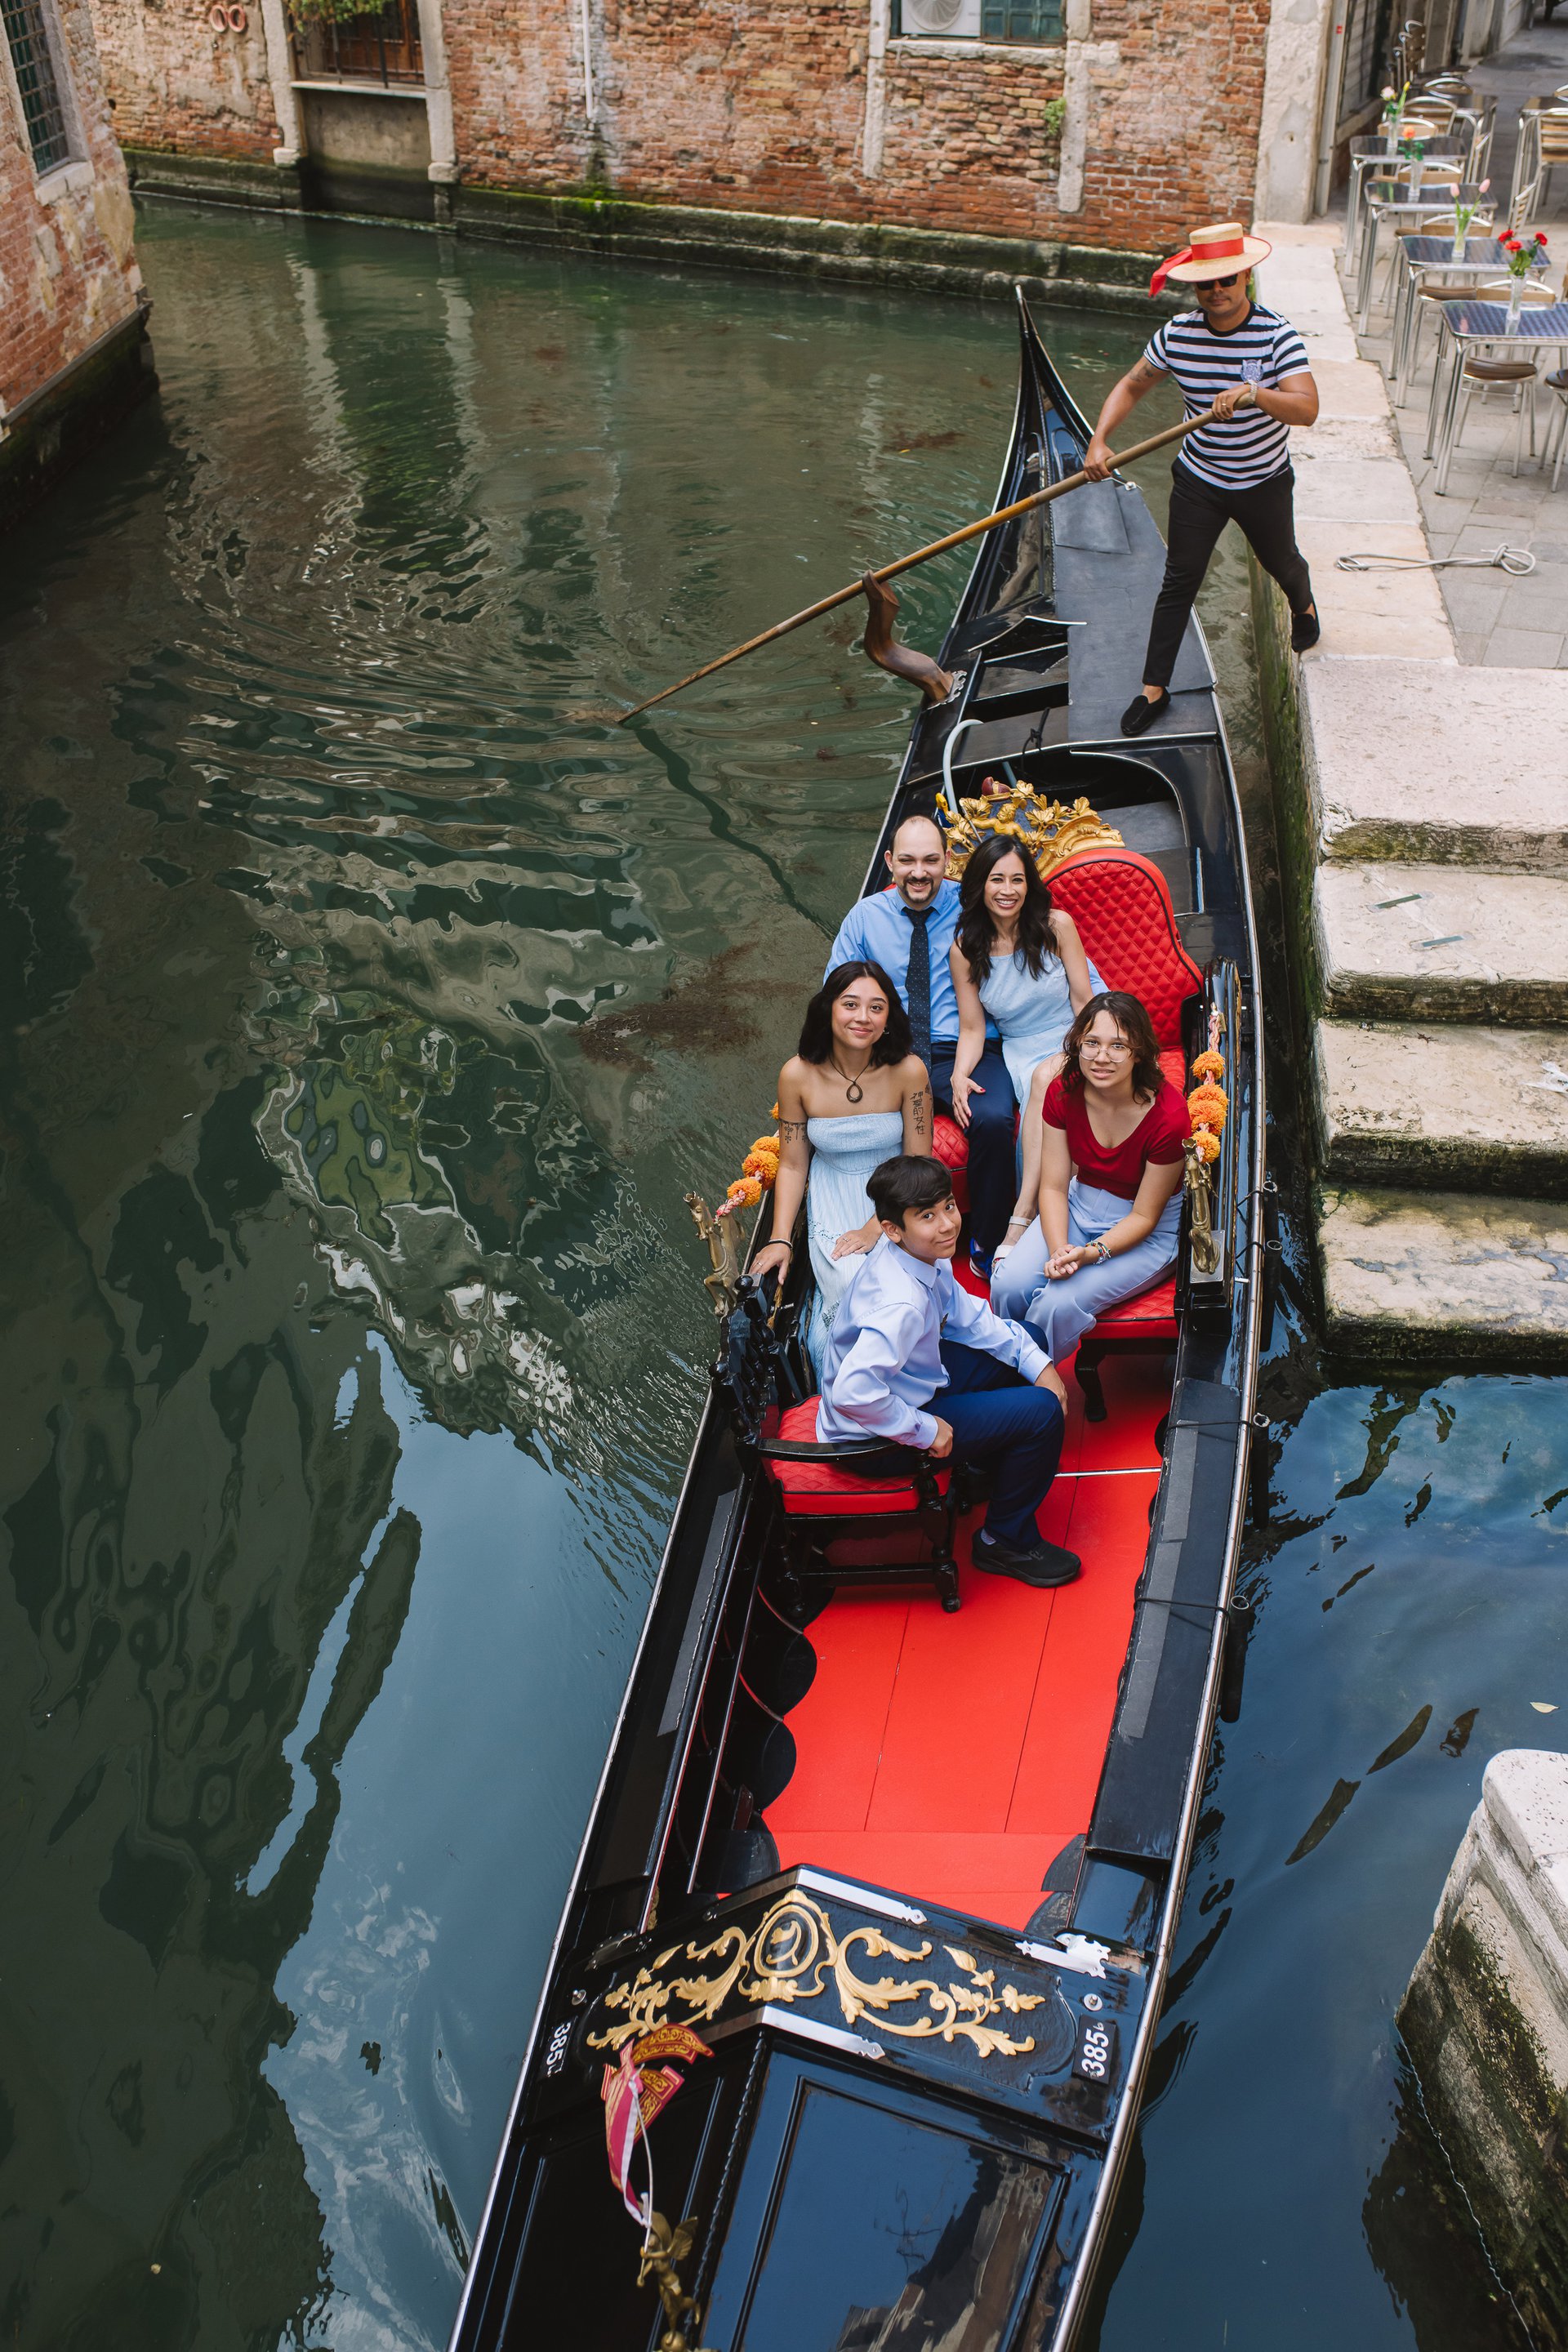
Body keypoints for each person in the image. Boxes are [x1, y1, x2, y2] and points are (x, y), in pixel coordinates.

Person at [1082, 220, 1320, 741]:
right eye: (1207, 284)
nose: (1217, 291)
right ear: (1196, 288)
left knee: (1282, 561)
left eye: (1227, 280)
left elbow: (1306, 409)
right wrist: (1100, 441)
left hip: (1263, 479)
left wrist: (1255, 393)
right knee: (1179, 580)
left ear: (1246, 279)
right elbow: (1130, 386)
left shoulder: (1277, 335)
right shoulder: (1178, 334)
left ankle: (1303, 608)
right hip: (1200, 479)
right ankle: (1153, 688)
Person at [818, 1154, 1079, 1588]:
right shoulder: (900, 1305)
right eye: (928, 1216)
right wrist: (924, 1430)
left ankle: (987, 1469)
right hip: (874, 1436)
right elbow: (853, 1393)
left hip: (912, 1381)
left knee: (1029, 1338)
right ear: (892, 1229)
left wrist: (1042, 1367)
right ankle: (1004, 1541)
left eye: (949, 1207)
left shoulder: (921, 1253)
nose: (948, 1225)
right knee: (1042, 1412)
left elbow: (968, 1317)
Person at [825, 809, 1018, 1277]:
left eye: (930, 861)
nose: (918, 872)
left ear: (947, 861)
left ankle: (989, 1246)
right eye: (907, 861)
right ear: (889, 862)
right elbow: (835, 995)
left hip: (967, 1048)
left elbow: (1031, 930)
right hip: (893, 1052)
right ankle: (889, 1235)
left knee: (992, 1121)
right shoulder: (865, 917)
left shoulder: (974, 905)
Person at [748, 961, 929, 1371]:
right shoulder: (796, 1075)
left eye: (876, 1007)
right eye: (851, 1004)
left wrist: (877, 1225)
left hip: (898, 1195)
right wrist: (781, 1239)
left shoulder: (909, 1070)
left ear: (889, 1018)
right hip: (833, 1192)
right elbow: (794, 1165)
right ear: (829, 1008)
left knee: (901, 1287)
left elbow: (919, 1162)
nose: (863, 1018)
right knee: (853, 1282)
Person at [991, 991, 1190, 1364]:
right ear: (1076, 1046)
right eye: (1091, 1044)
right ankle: (1005, 1365)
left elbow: (1145, 1217)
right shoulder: (1063, 1092)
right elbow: (1053, 1186)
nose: (1101, 1057)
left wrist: (1089, 1255)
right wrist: (1059, 1249)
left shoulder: (1169, 1118)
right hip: (1078, 1205)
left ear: (1139, 1052)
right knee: (1008, 1284)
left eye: (1118, 1046)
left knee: (1057, 1302)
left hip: (1147, 1232)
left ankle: (1031, 1379)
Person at [948, 835, 1098, 1273]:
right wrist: (960, 1075)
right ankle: (1038, 1217)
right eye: (997, 879)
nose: (1008, 890)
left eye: (1017, 879)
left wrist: (1085, 1048)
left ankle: (1022, 1218)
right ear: (981, 885)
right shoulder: (965, 949)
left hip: (1080, 1030)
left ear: (1029, 885)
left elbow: (1083, 999)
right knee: (1040, 1078)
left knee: (1046, 1080)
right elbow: (974, 1027)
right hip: (1022, 1047)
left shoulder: (1057, 926)